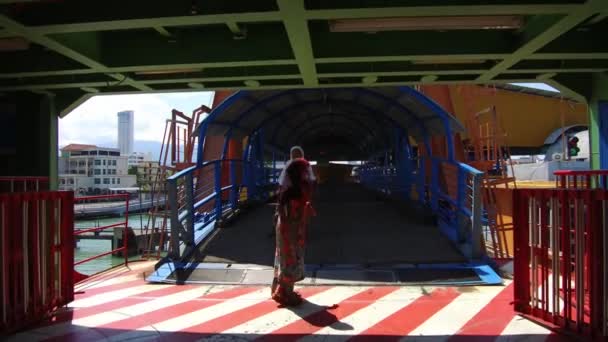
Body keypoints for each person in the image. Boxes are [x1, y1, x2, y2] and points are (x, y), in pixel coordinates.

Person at [270, 147, 316, 306]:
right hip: (292, 228)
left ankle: (282, 290)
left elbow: (282, 205)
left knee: (285, 256)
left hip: (286, 225)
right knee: (291, 257)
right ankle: (286, 293)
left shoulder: (287, 190)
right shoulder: (299, 194)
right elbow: (295, 216)